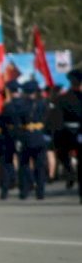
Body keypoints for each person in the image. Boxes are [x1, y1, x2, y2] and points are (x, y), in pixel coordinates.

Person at [6, 81, 53, 200]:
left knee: (24, 165)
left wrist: (17, 137)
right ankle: (40, 192)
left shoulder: (21, 105)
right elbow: (48, 120)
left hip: (25, 137)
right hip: (39, 136)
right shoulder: (43, 104)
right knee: (40, 166)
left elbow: (16, 122)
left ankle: (24, 191)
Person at [57, 69, 82, 204]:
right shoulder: (64, 98)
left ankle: (70, 173)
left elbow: (58, 119)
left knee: (62, 154)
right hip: (72, 132)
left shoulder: (63, 98)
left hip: (68, 133)